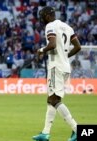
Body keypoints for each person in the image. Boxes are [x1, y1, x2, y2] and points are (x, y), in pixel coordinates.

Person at [32, 6, 81, 141]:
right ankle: (45, 133)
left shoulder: (50, 26)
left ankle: (77, 130)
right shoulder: (67, 27)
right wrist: (65, 56)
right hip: (65, 67)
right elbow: (78, 47)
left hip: (55, 67)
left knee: (54, 100)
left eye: (42, 16)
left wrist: (41, 50)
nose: (42, 19)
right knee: (51, 99)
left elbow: (52, 44)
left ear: (48, 15)